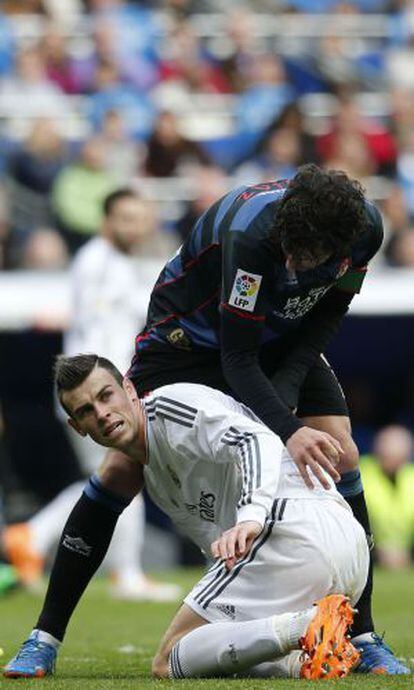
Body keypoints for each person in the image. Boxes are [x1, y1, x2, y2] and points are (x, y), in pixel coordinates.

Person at [3, 165, 409, 675]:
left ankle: (362, 633)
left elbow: (328, 313)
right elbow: (237, 359)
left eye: (306, 257)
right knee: (119, 470)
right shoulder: (252, 234)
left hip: (281, 336)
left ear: (342, 243)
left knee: (340, 451)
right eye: (290, 247)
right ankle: (44, 638)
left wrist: (286, 404)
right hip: (189, 338)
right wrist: (283, 426)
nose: (292, 261)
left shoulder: (366, 230)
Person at [4, 354, 369, 679]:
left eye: (105, 396)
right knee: (220, 643)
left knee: (169, 659)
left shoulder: (169, 405)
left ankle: (304, 626)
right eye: (85, 411)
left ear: (129, 390)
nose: (101, 414)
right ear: (77, 428)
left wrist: (251, 517)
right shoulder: (155, 472)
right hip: (340, 558)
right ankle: (305, 655)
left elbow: (256, 441)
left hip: (293, 529)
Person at [2, 189, 180, 601]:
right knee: (124, 469)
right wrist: (107, 392)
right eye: (124, 218)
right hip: (95, 393)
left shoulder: (112, 262)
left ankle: (30, 535)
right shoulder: (99, 262)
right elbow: (95, 334)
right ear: (106, 220)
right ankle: (127, 573)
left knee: (107, 475)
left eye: (139, 218)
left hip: (101, 391)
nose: (133, 227)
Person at [360, 425, 414, 569]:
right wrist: (378, 551)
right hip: (367, 553)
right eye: (388, 456)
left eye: (399, 457)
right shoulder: (361, 473)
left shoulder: (411, 475)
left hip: (407, 554)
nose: (392, 461)